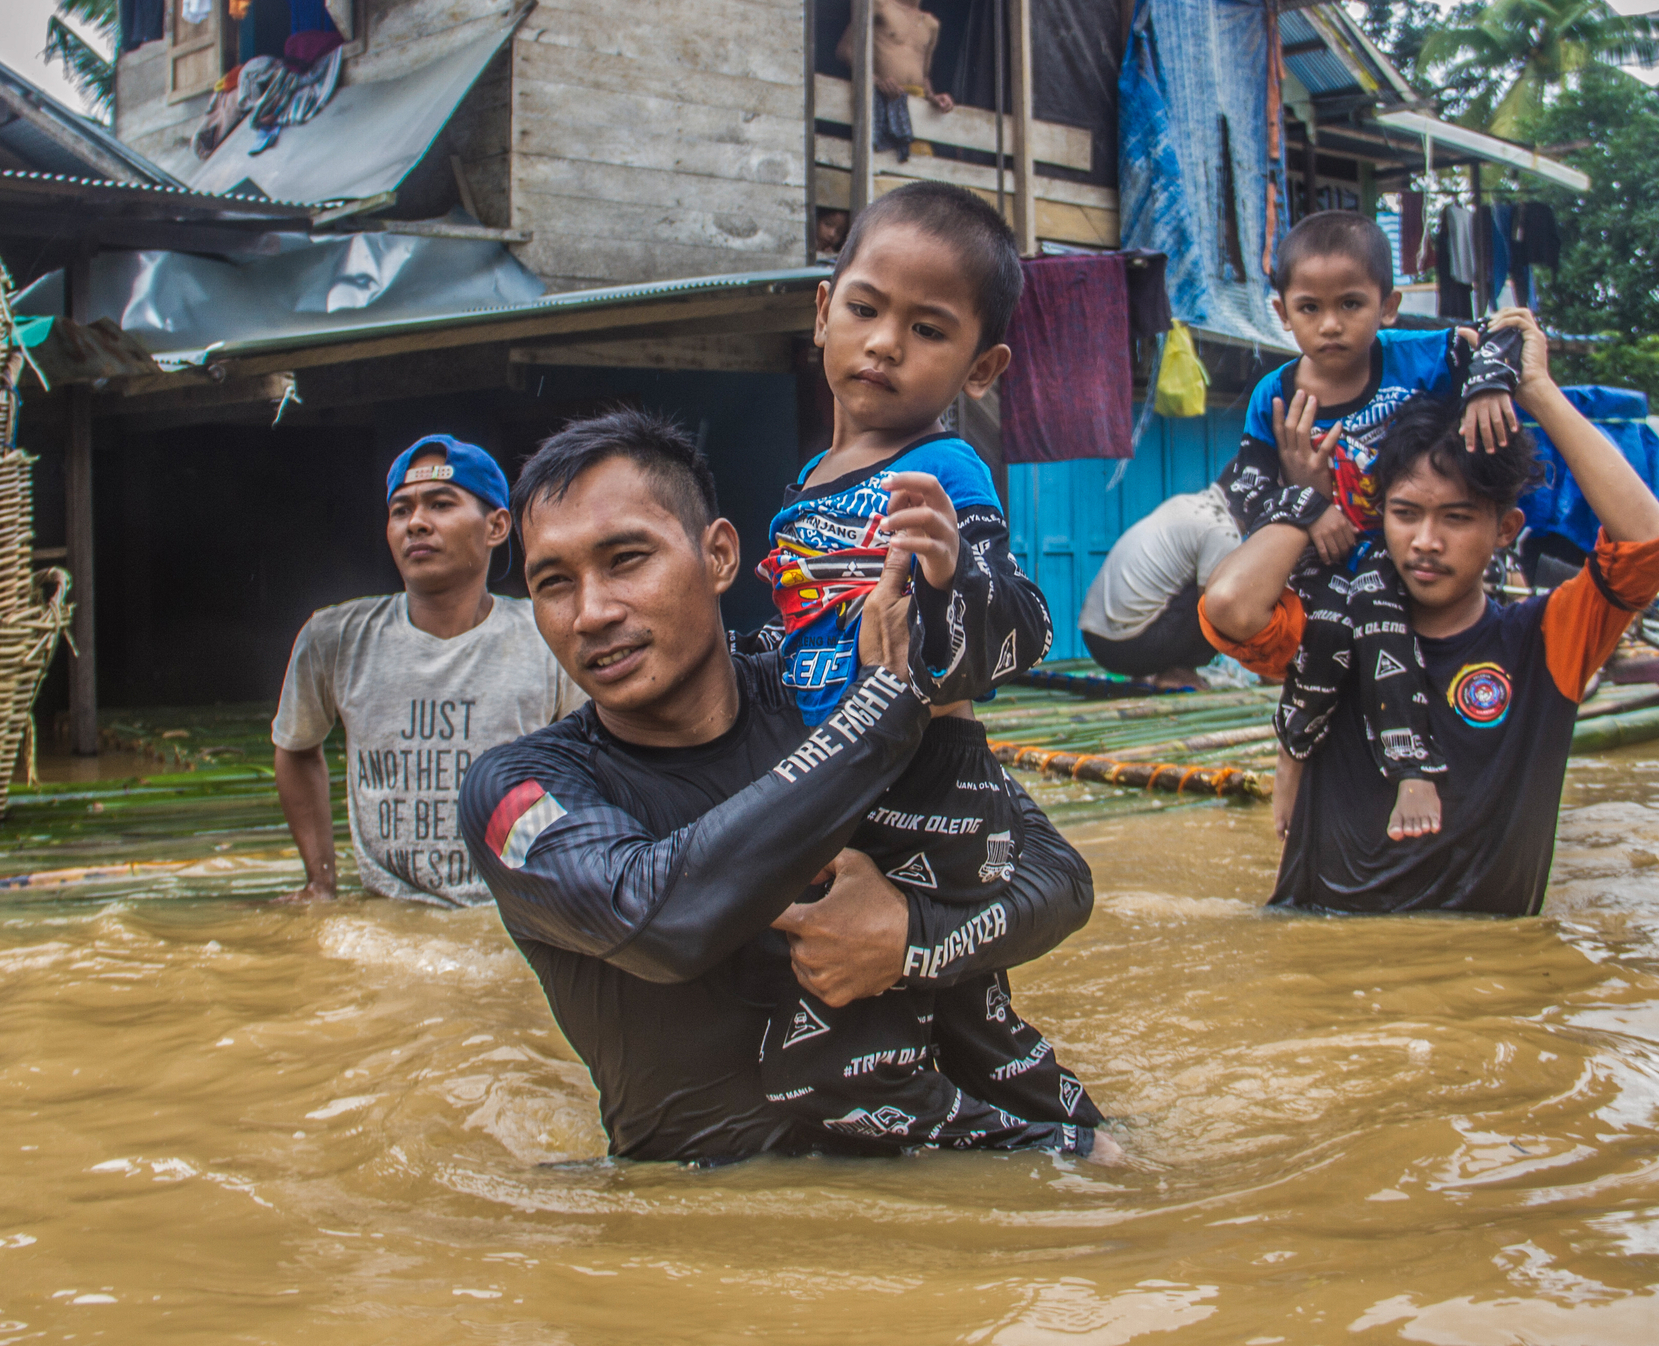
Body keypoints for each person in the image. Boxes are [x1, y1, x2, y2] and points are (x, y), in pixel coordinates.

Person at [458, 412, 1105, 1162]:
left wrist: (911, 941)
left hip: (953, 1182)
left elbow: (1060, 876)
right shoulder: (520, 789)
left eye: (627, 559)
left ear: (721, 556)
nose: (593, 612)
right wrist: (884, 714)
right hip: (707, 1225)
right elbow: (661, 921)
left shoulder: (822, 688)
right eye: (554, 583)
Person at [750, 178, 1100, 1148]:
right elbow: (800, 641)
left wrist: (951, 576)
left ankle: (1030, 1148)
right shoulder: (802, 492)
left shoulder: (943, 475)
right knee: (965, 1016)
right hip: (846, 780)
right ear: (823, 310)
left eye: (926, 328)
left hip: (928, 785)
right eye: (863, 307)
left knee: (858, 1039)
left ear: (980, 366)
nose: (883, 342)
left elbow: (1020, 630)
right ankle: (1078, 1142)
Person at [1200, 308, 1659, 915]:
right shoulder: (1332, 633)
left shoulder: (1546, 641)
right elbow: (1228, 609)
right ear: (1381, 518)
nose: (1426, 541)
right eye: (1405, 514)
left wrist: (1533, 388)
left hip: (1484, 977)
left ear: (1505, 529)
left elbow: (1646, 545)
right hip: (1326, 963)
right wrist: (1304, 504)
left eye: (1455, 518)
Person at [1216, 210, 1521, 845]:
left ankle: (1412, 768)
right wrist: (1307, 508)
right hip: (1321, 556)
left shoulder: (1421, 355)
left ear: (1388, 306)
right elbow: (1245, 485)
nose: (1330, 325)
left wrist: (1489, 385)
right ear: (1282, 312)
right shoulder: (1274, 395)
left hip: (1401, 548)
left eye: (1351, 304)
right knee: (1326, 630)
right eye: (1310, 308)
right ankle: (1294, 747)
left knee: (1379, 615)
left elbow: (1508, 332)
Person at [270, 436, 582, 906]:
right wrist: (321, 882)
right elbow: (296, 747)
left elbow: (594, 762)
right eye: (401, 510)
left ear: (497, 526)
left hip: (516, 914)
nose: (416, 523)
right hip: (389, 916)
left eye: (440, 504)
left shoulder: (547, 634)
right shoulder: (334, 638)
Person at [1077, 482, 1246, 688]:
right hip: (1130, 646)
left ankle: (1156, 671)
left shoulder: (1185, 502)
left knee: (1207, 583)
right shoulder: (1223, 528)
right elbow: (1221, 610)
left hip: (1096, 641)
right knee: (1220, 598)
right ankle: (1178, 673)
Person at [836, 0, 952, 161]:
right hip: (884, 102)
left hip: (916, 109)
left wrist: (934, 97)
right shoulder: (879, 2)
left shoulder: (931, 24)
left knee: (918, 180)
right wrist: (877, 81)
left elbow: (923, 75)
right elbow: (845, 50)